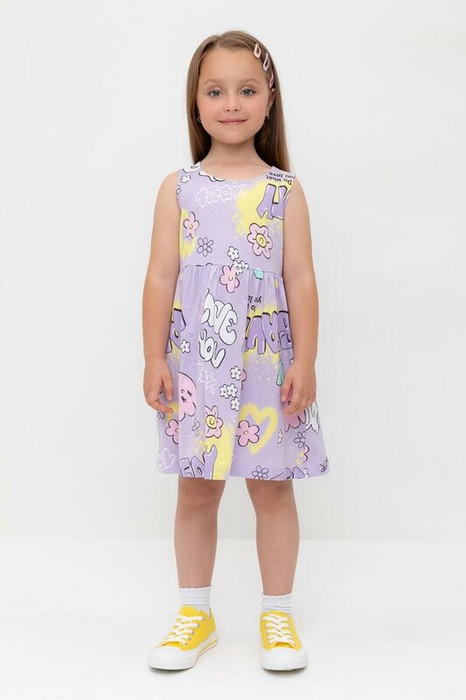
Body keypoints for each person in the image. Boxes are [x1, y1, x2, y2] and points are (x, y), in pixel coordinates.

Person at [142, 29, 330, 672]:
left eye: (247, 90)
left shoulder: (284, 191)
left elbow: (300, 278)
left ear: (269, 100)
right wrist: (154, 357)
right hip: (198, 363)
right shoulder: (178, 188)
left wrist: (305, 361)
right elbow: (160, 277)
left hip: (264, 366)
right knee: (197, 489)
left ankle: (277, 612)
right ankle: (195, 613)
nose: (231, 104)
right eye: (216, 91)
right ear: (195, 103)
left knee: (272, 490)